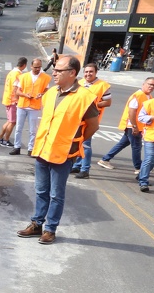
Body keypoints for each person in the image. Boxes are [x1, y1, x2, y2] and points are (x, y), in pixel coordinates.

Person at [16, 55, 99, 245]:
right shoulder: (51, 92)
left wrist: (75, 141)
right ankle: (36, 224)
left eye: (59, 70)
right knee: (40, 190)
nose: (54, 73)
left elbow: (93, 125)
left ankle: (50, 229)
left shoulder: (84, 98)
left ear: (72, 73)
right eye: (54, 69)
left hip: (63, 153)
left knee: (56, 194)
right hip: (43, 150)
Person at [98, 77, 154, 175]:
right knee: (136, 146)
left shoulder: (148, 96)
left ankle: (105, 159)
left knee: (123, 143)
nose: (151, 87)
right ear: (143, 84)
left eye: (153, 85)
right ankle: (138, 167)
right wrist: (134, 126)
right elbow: (132, 112)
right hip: (133, 125)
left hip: (138, 125)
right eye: (149, 84)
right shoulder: (137, 95)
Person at [72, 62, 112, 179]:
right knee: (79, 142)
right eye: (86, 72)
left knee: (86, 145)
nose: (88, 74)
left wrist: (91, 106)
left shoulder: (103, 86)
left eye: (91, 72)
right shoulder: (79, 83)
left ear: (96, 72)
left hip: (91, 120)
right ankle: (77, 165)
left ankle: (85, 170)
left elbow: (108, 102)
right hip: (77, 118)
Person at [10, 58, 51, 156]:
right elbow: (18, 91)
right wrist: (25, 95)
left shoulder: (45, 78)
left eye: (39, 67)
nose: (38, 69)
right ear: (31, 66)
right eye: (36, 67)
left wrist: (42, 94)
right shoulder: (24, 77)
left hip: (34, 107)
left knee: (33, 130)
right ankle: (17, 147)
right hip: (22, 105)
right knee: (18, 128)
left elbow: (47, 90)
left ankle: (31, 149)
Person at [0, 56, 26, 147]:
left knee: (9, 121)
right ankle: (6, 140)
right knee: (12, 122)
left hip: (7, 98)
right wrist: (16, 100)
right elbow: (15, 88)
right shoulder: (18, 74)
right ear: (24, 65)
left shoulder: (11, 72)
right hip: (12, 100)